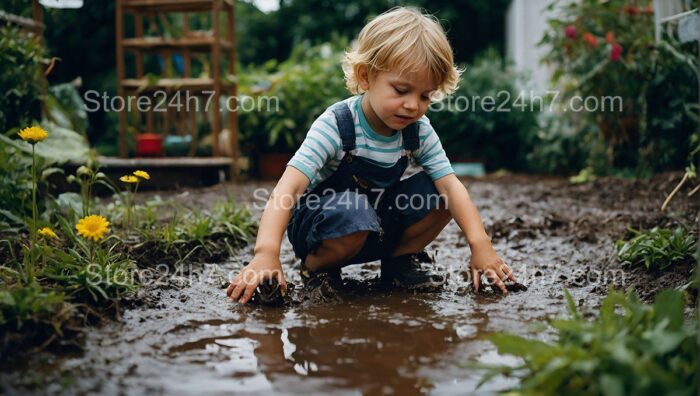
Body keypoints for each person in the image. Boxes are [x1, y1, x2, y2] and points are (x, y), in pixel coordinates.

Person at [227, 6, 517, 304]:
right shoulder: (336, 125)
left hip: (373, 224)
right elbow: (289, 188)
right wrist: (266, 253)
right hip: (323, 227)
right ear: (366, 77)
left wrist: (481, 245)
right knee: (352, 210)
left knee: (443, 193)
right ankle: (316, 269)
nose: (413, 106)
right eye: (401, 90)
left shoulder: (418, 130)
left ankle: (398, 263)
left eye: (425, 96)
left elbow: (452, 186)